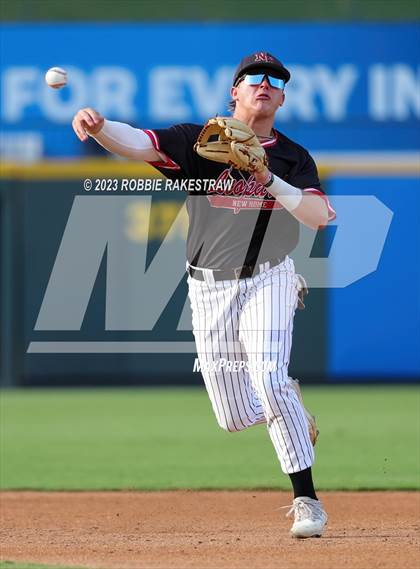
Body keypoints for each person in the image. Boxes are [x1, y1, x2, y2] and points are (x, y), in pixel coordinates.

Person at [72, 51, 336, 538]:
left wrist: (267, 177)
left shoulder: (292, 156)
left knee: (268, 375)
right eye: (252, 77)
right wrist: (102, 126)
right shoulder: (201, 141)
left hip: (270, 278)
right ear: (234, 91)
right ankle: (290, 406)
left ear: (282, 96)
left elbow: (319, 216)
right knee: (234, 416)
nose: (264, 83)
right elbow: (140, 143)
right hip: (208, 287)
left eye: (275, 80)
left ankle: (307, 501)